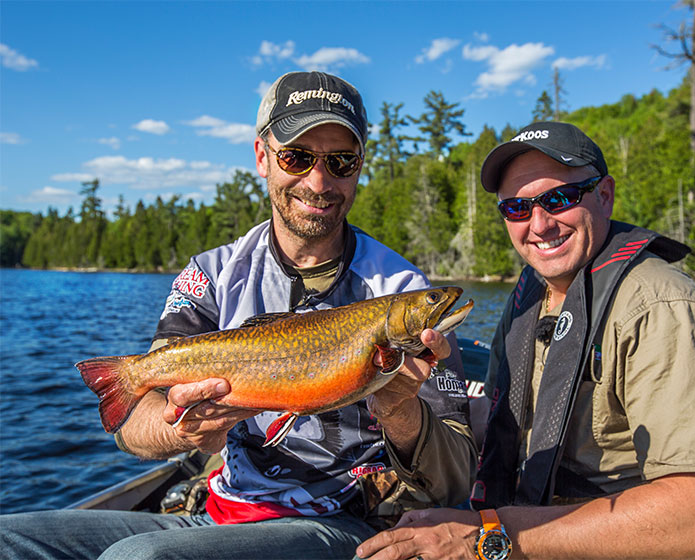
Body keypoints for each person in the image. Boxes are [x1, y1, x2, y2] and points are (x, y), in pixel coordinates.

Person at [1, 71, 477, 560]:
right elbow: (133, 422)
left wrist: (400, 411)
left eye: (340, 161)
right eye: (297, 156)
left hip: (342, 521)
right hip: (220, 511)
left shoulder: (404, 293)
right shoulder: (212, 275)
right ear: (262, 158)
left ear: (359, 166)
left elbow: (458, 477)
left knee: (139, 558)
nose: (319, 181)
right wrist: (181, 428)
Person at [357, 121, 695, 560]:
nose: (539, 224)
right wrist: (404, 411)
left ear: (605, 195)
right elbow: (501, 426)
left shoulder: (661, 307)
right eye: (517, 208)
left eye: (560, 199)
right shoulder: (530, 299)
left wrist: (484, 537)